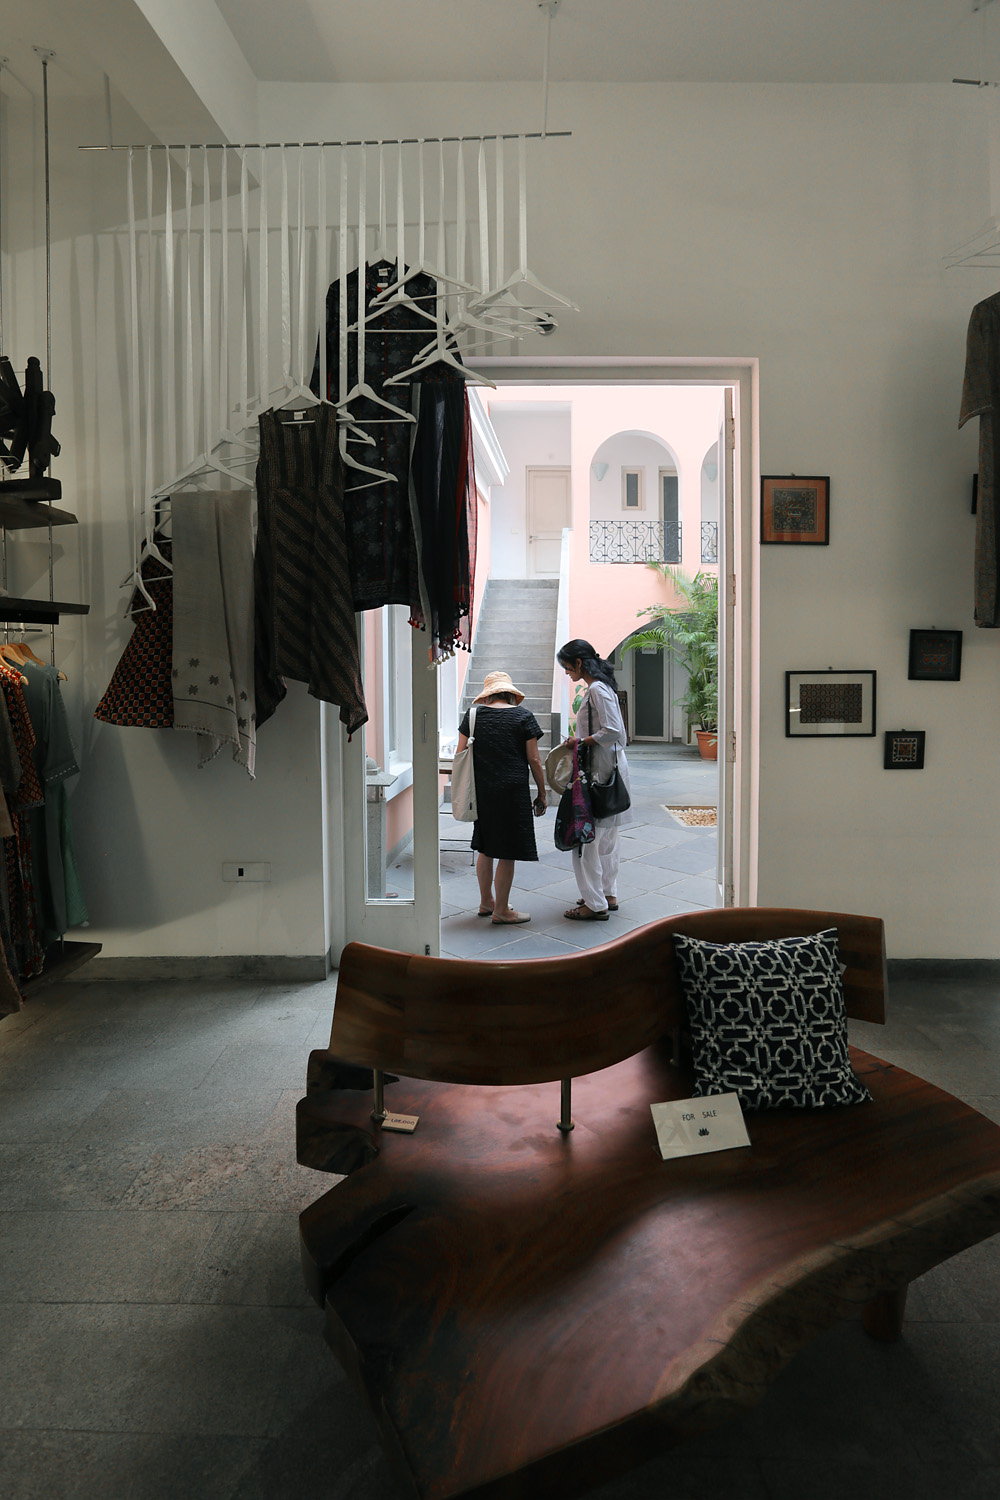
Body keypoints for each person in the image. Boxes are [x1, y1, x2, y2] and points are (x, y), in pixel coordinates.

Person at [456, 670, 547, 926]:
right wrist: (541, 791)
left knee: (485, 847)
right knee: (507, 850)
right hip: (512, 790)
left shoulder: (473, 716)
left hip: (482, 790)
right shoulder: (523, 716)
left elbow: (461, 752)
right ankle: (503, 910)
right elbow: (534, 759)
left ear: (487, 695)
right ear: (511, 694)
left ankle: (487, 902)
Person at [557, 638, 632, 921]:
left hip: (601, 771)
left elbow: (613, 730)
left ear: (578, 662)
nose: (566, 672)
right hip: (610, 768)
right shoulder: (602, 687)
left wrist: (581, 741)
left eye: (567, 666)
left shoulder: (597, 689)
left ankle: (594, 903)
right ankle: (606, 893)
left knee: (586, 837)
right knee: (607, 837)